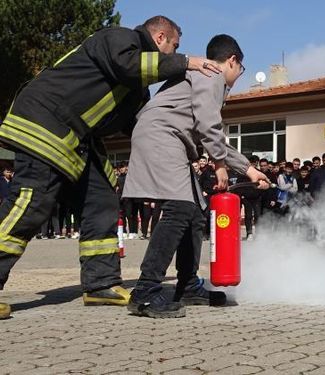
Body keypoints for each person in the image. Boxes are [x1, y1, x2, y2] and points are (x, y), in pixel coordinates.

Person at [0, 15, 226, 319]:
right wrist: (187, 62)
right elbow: (129, 65)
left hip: (77, 137)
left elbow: (141, 126)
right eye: (174, 47)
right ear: (160, 38)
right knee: (31, 205)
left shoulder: (137, 90)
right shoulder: (121, 39)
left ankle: (101, 284)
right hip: (45, 123)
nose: (175, 55)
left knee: (103, 197)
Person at [123, 34, 269, 318]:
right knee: (180, 210)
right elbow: (208, 124)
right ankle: (145, 291)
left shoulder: (204, 76)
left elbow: (211, 133)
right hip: (162, 136)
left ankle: (187, 285)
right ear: (233, 60)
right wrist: (219, 164)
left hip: (169, 139)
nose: (239, 76)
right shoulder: (212, 75)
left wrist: (249, 169)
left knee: (194, 214)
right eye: (241, 70)